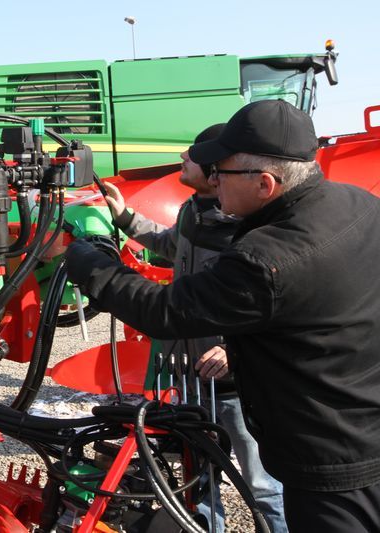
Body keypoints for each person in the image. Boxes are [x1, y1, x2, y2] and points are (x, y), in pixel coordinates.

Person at [65, 99, 380, 532]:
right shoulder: (357, 204)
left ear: (265, 183)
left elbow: (163, 311)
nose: (213, 179)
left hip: (326, 457)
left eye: (221, 172)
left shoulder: (268, 257)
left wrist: (87, 259)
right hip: (363, 423)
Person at [103, 123, 286, 532]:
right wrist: (124, 217)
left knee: (262, 484)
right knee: (198, 479)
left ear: (216, 171)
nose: (184, 159)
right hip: (189, 381)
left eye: (192, 155)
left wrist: (233, 348)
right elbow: (170, 246)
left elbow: (271, 304)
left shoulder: (248, 232)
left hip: (237, 387)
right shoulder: (193, 211)